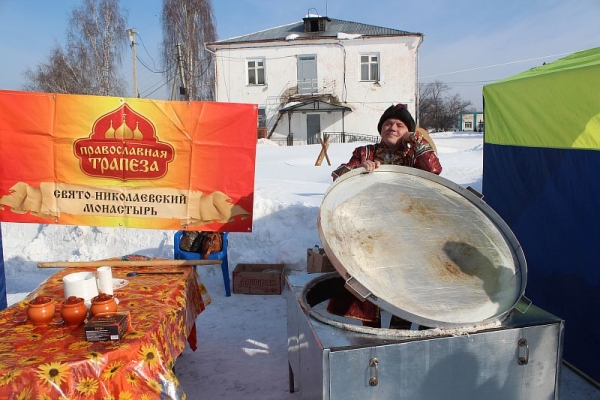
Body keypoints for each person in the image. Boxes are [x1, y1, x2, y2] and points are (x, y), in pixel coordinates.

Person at [327, 104, 442, 329]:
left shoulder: (414, 155)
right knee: (368, 279)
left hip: (407, 228)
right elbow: (337, 176)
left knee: (405, 281)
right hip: (370, 226)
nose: (393, 127)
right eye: (388, 123)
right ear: (380, 129)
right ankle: (370, 333)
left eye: (400, 125)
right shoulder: (365, 152)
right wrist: (360, 169)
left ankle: (401, 331)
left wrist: (416, 138)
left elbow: (434, 171)